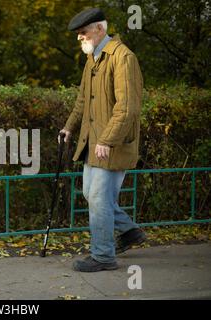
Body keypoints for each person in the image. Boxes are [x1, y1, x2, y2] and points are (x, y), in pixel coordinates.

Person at [60, 8, 146, 272]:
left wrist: (107, 140)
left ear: (99, 29)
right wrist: (69, 127)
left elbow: (127, 107)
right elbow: (83, 100)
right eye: (78, 34)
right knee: (91, 195)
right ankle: (130, 231)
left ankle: (103, 256)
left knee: (98, 199)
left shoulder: (123, 58)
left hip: (112, 144)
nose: (79, 38)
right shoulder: (93, 60)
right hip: (92, 142)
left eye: (83, 33)